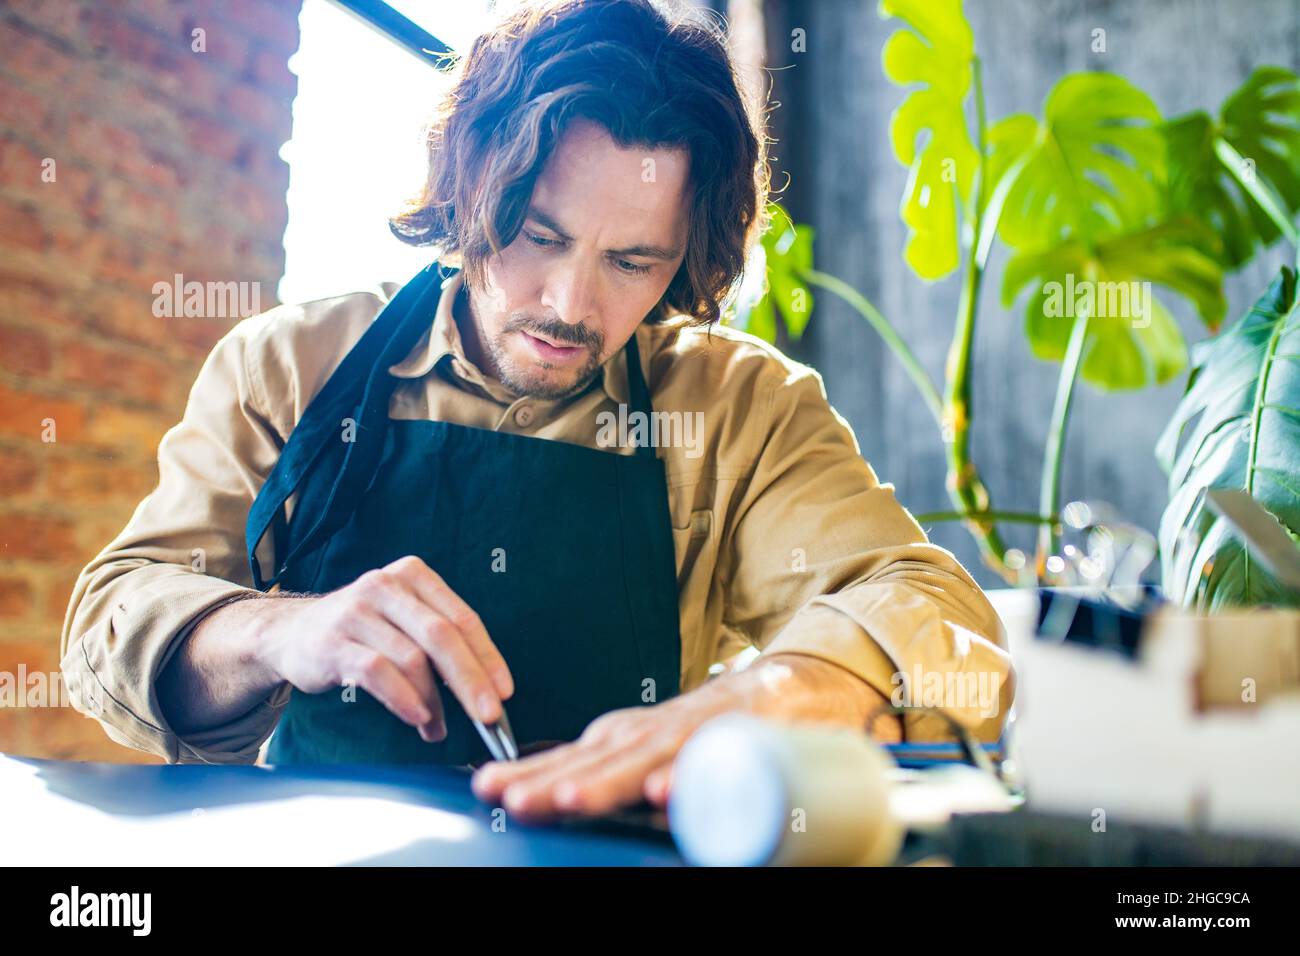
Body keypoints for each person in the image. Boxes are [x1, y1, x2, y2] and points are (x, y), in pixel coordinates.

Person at [61, 0, 1012, 822]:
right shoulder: (288, 366)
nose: (568, 305)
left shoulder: (740, 410)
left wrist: (787, 689)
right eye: (536, 235)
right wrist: (278, 630)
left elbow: (939, 613)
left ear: (686, 256)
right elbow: (111, 624)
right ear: (471, 195)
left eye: (632, 262)